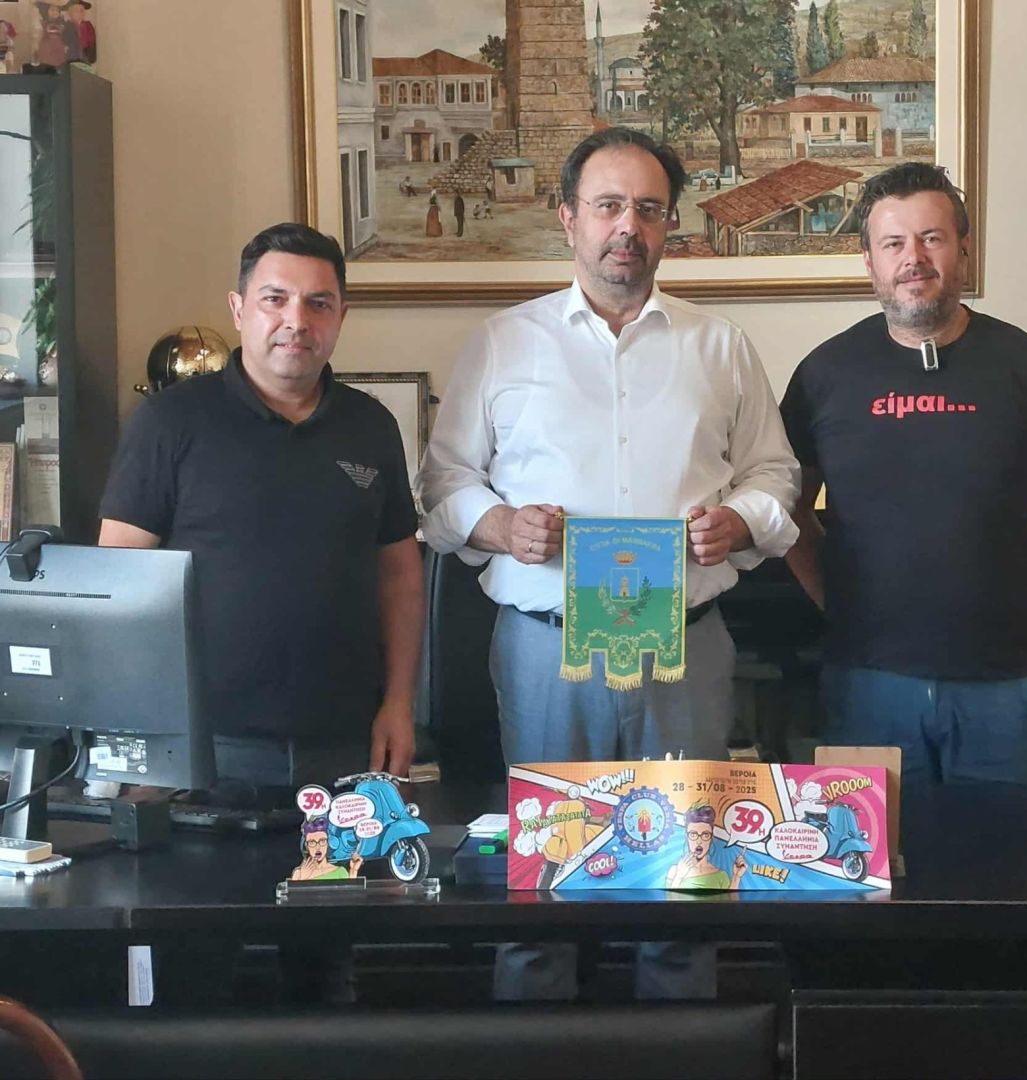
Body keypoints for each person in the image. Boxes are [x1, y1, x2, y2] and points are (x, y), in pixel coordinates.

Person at [421, 126, 799, 1000]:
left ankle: (683, 1052)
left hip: (685, 649)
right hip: (546, 650)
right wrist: (500, 526)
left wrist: (739, 522)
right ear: (569, 217)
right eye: (608, 205)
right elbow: (442, 484)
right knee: (544, 890)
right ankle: (538, 1051)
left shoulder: (721, 346)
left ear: (669, 225)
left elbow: (775, 474)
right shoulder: (502, 343)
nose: (628, 225)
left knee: (683, 889)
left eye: (648, 209)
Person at [780, 162, 1027, 787]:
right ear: (868, 260)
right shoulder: (824, 375)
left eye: (932, 238)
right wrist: (840, 601)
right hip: (867, 682)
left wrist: (1007, 599)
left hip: (1004, 684)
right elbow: (788, 511)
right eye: (893, 243)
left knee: (1002, 848)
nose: (914, 258)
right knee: (867, 850)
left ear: (963, 249)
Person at [99, 222, 424, 793]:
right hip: (205, 744)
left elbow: (399, 575)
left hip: (345, 741)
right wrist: (139, 735)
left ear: (341, 316)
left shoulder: (372, 426)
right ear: (239, 309)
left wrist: (400, 702)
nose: (297, 321)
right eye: (275, 299)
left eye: (318, 304)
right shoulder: (169, 422)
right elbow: (119, 582)